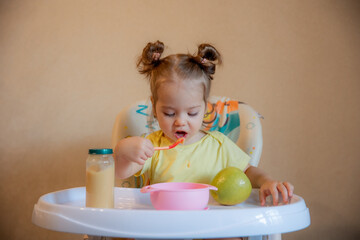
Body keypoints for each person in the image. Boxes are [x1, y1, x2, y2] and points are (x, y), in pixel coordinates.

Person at [114, 40, 294, 207]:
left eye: (192, 113)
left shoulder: (219, 145)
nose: (180, 122)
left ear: (205, 108)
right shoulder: (152, 146)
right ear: (154, 107)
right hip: (166, 226)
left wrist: (267, 181)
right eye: (169, 113)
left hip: (212, 226)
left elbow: (247, 172)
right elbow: (122, 173)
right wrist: (123, 150)